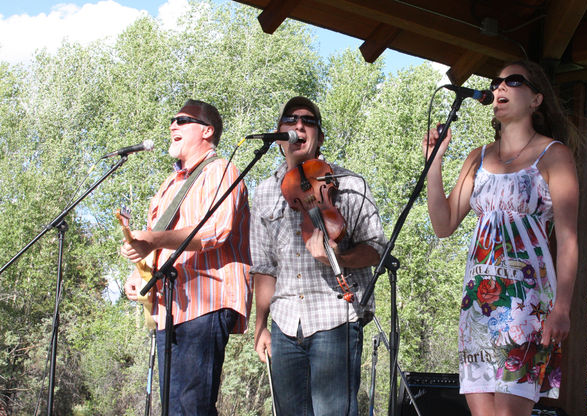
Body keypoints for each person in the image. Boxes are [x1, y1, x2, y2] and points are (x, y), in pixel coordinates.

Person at [422, 61, 579, 416]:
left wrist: (563, 308)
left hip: (526, 300)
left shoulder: (553, 154)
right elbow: (443, 224)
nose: (500, 88)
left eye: (513, 81)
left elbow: (569, 239)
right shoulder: (476, 157)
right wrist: (434, 163)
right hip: (477, 300)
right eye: (496, 82)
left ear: (537, 99)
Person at [251, 96, 387, 416]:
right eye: (291, 120)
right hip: (284, 324)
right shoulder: (264, 192)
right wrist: (260, 327)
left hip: (335, 318)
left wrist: (339, 256)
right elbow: (263, 267)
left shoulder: (349, 183)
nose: (299, 125)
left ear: (319, 137)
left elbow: (377, 249)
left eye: (308, 121)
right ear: (279, 133)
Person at [121, 99, 252, 415]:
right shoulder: (168, 185)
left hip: (206, 300)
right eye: (172, 120)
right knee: (173, 407)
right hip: (170, 307)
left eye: (182, 120)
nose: (173, 125)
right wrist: (139, 273)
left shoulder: (221, 169)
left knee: (193, 406)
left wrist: (153, 239)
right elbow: (157, 239)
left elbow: (216, 230)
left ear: (207, 131)